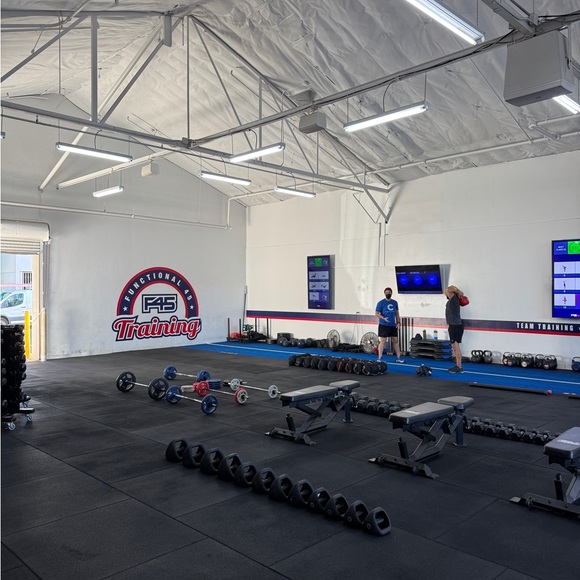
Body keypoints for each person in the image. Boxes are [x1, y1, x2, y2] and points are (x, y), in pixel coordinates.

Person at [375, 287, 404, 363]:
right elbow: (376, 313)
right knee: (383, 341)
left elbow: (397, 313)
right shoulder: (381, 303)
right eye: (387, 292)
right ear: (384, 293)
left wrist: (398, 322)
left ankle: (398, 358)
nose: (388, 294)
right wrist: (383, 318)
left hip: (392, 325)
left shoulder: (395, 302)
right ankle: (379, 358)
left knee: (395, 340)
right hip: (383, 324)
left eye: (389, 292)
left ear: (391, 293)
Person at [445, 285, 465, 373]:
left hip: (455, 326)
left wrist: (452, 289)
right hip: (453, 325)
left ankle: (459, 367)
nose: (445, 293)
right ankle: (458, 366)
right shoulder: (451, 300)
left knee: (456, 347)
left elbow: (453, 291)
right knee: (454, 346)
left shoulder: (454, 299)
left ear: (451, 293)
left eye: (447, 292)